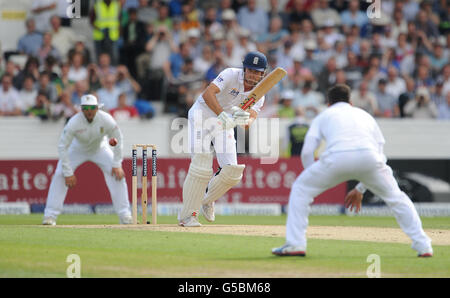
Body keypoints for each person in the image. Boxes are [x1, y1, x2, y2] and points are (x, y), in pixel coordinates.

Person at [272, 84, 433, 258]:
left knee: (300, 189)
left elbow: (307, 151)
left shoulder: (324, 115)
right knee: (397, 198)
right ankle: (423, 245)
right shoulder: (365, 115)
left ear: (328, 103)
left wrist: (313, 177)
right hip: (370, 159)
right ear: (350, 101)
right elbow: (380, 153)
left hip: (336, 158)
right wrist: (360, 189)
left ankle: (296, 244)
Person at [178, 51, 268, 227]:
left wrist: (243, 118)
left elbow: (249, 121)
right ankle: (187, 216)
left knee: (233, 172)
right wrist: (221, 114)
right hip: (201, 116)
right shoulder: (230, 74)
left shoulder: (260, 94)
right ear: (244, 69)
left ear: (263, 74)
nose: (253, 75)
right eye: (250, 70)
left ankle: (207, 199)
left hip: (224, 123)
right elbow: (208, 93)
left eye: (257, 72)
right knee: (201, 166)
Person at [42, 94, 132, 225]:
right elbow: (62, 146)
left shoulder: (106, 119)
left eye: (92, 107)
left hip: (100, 148)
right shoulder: (74, 122)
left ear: (97, 108)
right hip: (77, 149)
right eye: (86, 108)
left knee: (118, 175)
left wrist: (117, 163)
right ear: (82, 109)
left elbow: (118, 139)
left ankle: (125, 215)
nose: (89, 110)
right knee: (60, 174)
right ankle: (50, 216)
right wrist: (68, 172)